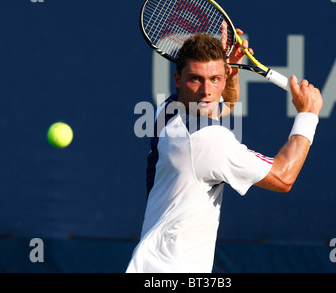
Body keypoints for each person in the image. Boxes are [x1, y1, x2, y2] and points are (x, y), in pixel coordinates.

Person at [126, 31, 323, 273]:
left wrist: (233, 71)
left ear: (224, 75)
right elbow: (283, 177)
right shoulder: (208, 141)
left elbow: (225, 106)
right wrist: (307, 115)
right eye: (196, 79)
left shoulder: (168, 110)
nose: (206, 90)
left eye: (215, 79)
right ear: (178, 80)